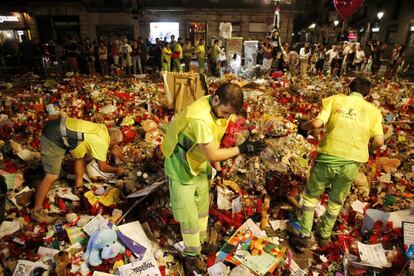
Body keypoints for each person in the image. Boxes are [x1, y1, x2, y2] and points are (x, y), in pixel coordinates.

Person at [161, 83, 265, 274]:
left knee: (202, 207)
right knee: (189, 214)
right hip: (180, 163)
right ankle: (191, 255)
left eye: (229, 114)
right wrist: (242, 149)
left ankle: (199, 244)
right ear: (216, 99)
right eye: (225, 112)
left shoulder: (220, 110)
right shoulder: (200, 117)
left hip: (198, 161)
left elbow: (215, 140)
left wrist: (218, 170)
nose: (227, 117)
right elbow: (213, 153)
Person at [290, 77, 384, 249]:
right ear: (367, 95)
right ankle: (324, 235)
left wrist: (303, 126)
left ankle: (304, 235)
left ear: (349, 89)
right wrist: (366, 147)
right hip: (352, 163)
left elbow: (317, 123)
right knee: (335, 201)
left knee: (311, 196)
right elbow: (379, 141)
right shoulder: (374, 112)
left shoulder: (335, 100)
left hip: (328, 156)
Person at [32, 117, 128, 223]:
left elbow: (82, 157)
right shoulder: (101, 142)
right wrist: (117, 170)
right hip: (54, 136)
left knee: (81, 157)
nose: (116, 146)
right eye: (116, 144)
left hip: (56, 126)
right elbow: (102, 167)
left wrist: (126, 160)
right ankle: (37, 211)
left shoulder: (103, 130)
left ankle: (78, 186)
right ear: (113, 141)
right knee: (52, 175)